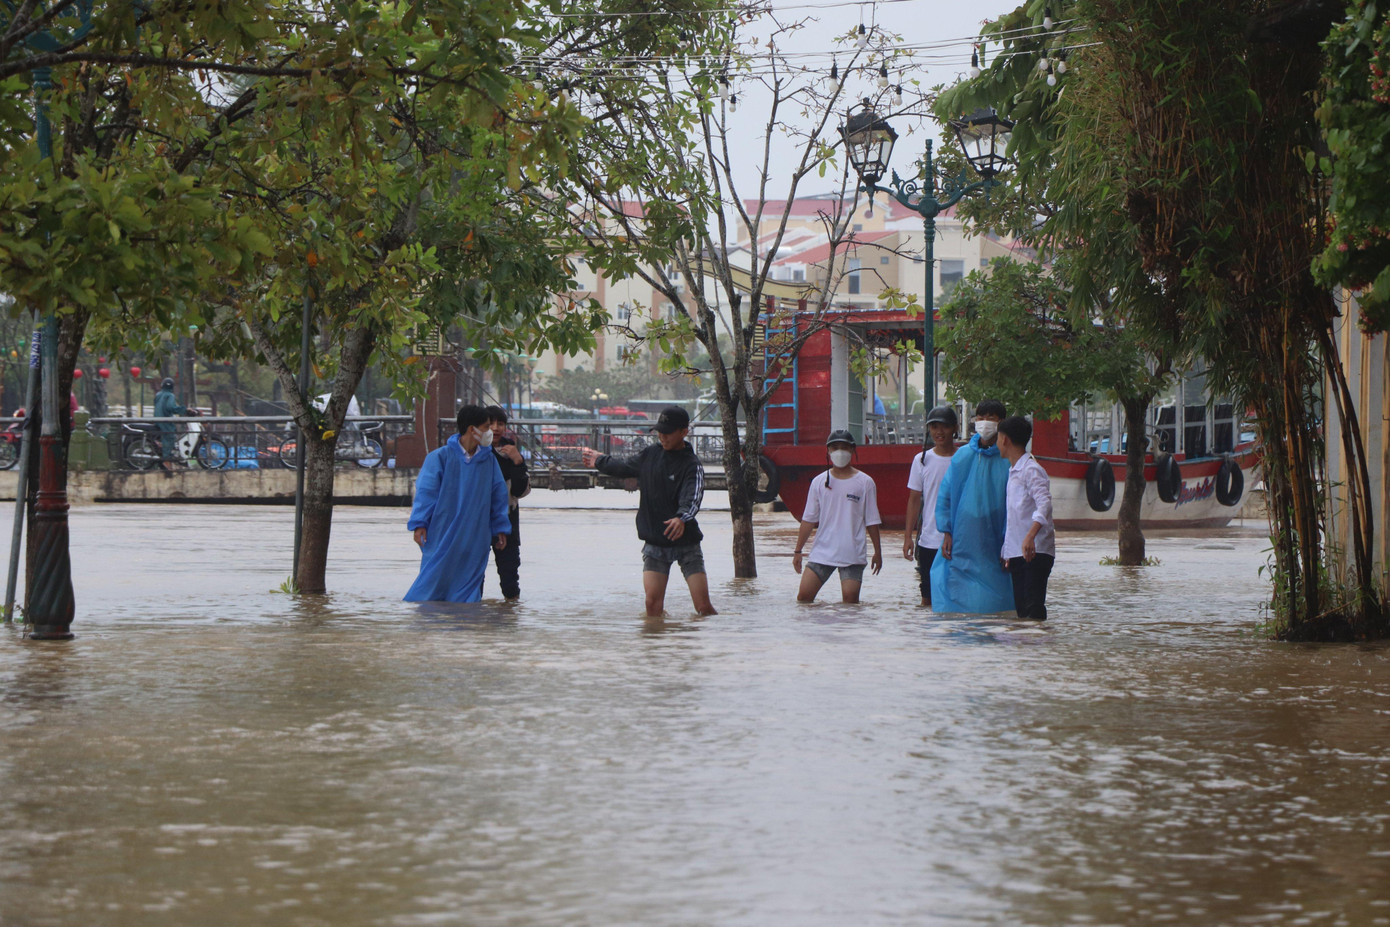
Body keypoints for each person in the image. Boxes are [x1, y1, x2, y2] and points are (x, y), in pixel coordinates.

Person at [579, 405, 716, 618]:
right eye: (659, 431)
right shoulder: (650, 455)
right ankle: (656, 647)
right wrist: (599, 460)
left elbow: (693, 497)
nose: (662, 436)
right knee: (652, 606)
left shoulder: (692, 465)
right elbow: (623, 466)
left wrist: (681, 518)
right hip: (655, 540)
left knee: (703, 609)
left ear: (684, 432)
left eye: (667, 432)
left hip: (686, 543)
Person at [404, 404, 512, 603]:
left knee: (469, 588)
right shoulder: (439, 458)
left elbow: (498, 496)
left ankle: (465, 630)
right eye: (487, 426)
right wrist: (420, 524)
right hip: (442, 532)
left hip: (475, 535)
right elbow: (426, 494)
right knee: (432, 583)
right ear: (473, 429)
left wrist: (500, 528)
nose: (490, 431)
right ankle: (429, 629)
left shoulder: (488, 461)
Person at [930, 399, 1015, 613]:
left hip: (996, 534)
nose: (984, 423)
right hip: (963, 533)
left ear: (1001, 422)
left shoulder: (1008, 459)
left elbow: (1016, 504)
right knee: (956, 584)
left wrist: (1010, 539)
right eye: (980, 418)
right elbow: (946, 495)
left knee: (997, 586)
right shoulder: (963, 455)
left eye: (991, 419)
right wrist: (947, 531)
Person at [792, 430, 883, 603]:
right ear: (827, 451)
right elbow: (808, 519)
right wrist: (798, 551)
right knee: (803, 598)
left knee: (850, 602)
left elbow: (872, 520)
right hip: (822, 552)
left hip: (852, 553)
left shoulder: (865, 483)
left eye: (844, 447)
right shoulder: (819, 482)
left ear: (853, 450)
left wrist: (878, 552)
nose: (840, 452)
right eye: (835, 448)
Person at [996, 415, 1056, 620]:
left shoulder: (1031, 470)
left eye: (998, 438)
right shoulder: (1014, 471)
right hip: (1017, 553)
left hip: (1035, 551)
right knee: (1022, 613)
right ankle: (1027, 651)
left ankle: (1038, 648)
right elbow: (1014, 517)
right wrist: (1008, 550)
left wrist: (1030, 536)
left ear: (1005, 439)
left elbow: (1044, 503)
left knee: (1033, 610)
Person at [903, 405, 959, 608]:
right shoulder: (922, 460)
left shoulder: (964, 458)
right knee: (927, 597)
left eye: (944, 426)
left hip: (959, 539)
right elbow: (914, 499)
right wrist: (908, 536)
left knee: (956, 593)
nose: (939, 432)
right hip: (928, 540)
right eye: (934, 427)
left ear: (954, 427)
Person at [484, 405, 529, 600]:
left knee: (510, 577)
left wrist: (518, 461)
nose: (495, 428)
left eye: (500, 424)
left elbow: (519, 491)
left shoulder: (510, 451)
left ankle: (510, 617)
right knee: (473, 574)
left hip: (508, 518)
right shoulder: (476, 452)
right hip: (480, 518)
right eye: (490, 424)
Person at [153, 377, 189, 466]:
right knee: (170, 436)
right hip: (165, 420)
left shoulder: (158, 394)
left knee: (167, 436)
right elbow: (171, 408)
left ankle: (165, 453)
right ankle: (166, 459)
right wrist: (183, 409)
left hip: (156, 420)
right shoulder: (170, 395)